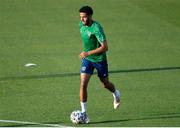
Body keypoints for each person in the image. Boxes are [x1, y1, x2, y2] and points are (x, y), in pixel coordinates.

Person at [78, 6, 121, 124]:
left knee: (105, 84)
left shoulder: (97, 28)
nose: (82, 19)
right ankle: (84, 114)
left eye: (84, 17)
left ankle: (116, 93)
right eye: (81, 17)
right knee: (83, 84)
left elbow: (105, 47)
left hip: (99, 60)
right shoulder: (81, 25)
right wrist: (86, 54)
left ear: (91, 16)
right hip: (87, 60)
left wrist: (88, 52)